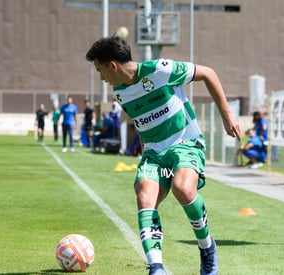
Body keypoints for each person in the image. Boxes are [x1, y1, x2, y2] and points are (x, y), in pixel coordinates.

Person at [86, 36, 241, 275]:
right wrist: (143, 151)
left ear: (113, 65)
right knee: (145, 197)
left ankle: (207, 248)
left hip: (185, 144)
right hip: (154, 155)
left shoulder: (160, 70)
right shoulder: (120, 93)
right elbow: (142, 123)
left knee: (183, 189)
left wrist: (227, 115)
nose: (101, 78)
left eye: (100, 70)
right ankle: (156, 268)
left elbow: (209, 73)